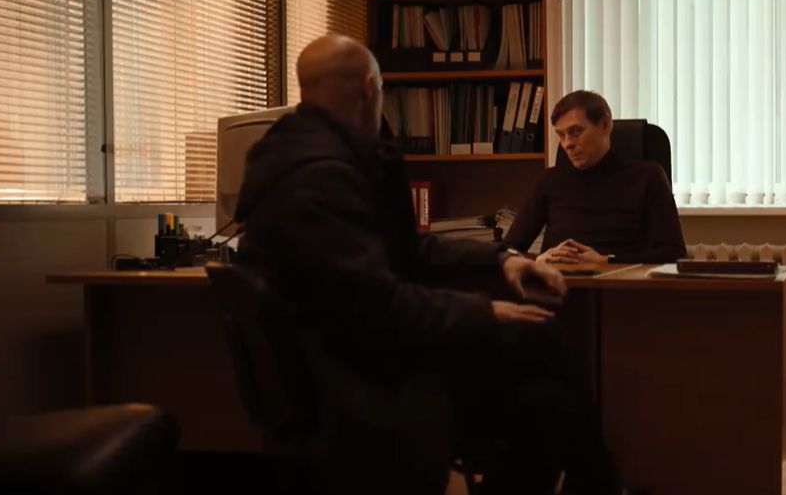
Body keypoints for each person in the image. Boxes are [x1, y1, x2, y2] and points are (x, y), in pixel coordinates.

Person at [234, 35, 622, 494]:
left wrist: (502, 260)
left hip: (345, 358)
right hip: (354, 378)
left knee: (542, 376)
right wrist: (485, 312)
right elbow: (375, 305)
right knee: (542, 366)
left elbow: (408, 250)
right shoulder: (321, 177)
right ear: (369, 88)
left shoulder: (308, 155)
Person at [505, 90, 687, 265]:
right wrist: (538, 260)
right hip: (556, 281)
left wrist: (607, 260)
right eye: (561, 135)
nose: (567, 144)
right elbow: (507, 251)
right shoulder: (549, 181)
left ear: (605, 125)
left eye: (576, 132)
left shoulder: (647, 177)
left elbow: (673, 253)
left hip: (620, 281)